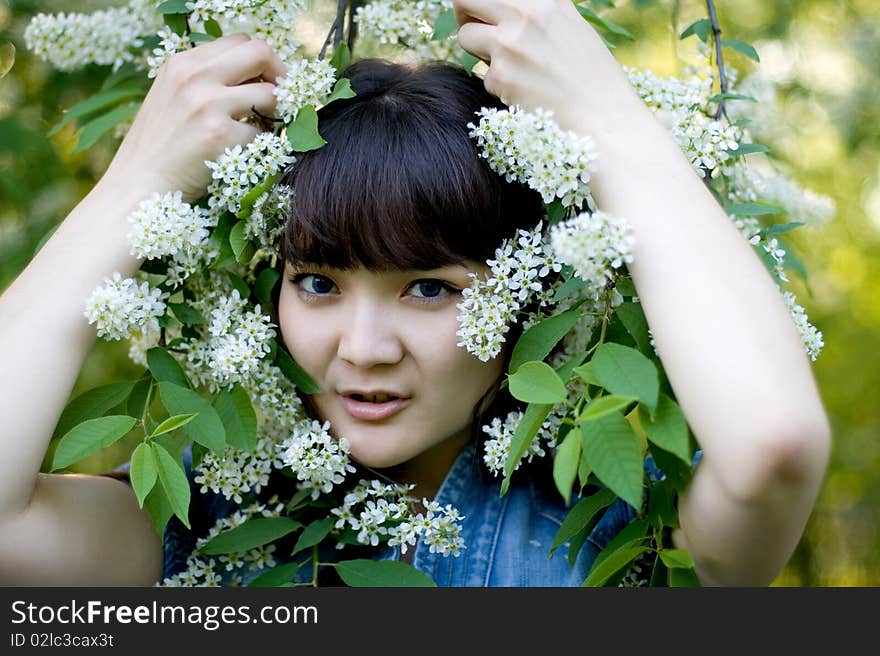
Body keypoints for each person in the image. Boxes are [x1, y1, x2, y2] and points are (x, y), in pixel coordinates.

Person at [0, 0, 831, 587]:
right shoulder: (213, 520)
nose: (362, 347)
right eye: (318, 281)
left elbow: (774, 445)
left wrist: (606, 117)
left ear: (528, 294)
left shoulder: (625, 528)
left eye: (430, 288)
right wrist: (135, 184)